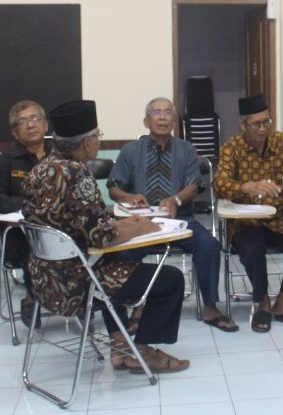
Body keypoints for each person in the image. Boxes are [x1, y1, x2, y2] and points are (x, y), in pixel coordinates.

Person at [22, 99, 189, 373]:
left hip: (45, 283)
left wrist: (122, 224)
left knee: (119, 262)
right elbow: (102, 236)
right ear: (86, 143)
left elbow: (77, 222)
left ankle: (119, 344)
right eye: (97, 135)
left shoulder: (40, 170)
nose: (98, 141)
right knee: (170, 279)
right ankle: (142, 352)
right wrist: (141, 226)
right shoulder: (77, 173)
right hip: (76, 285)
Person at [107, 97, 236, 332]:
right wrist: (130, 197)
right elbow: (113, 188)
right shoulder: (130, 150)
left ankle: (210, 306)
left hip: (180, 221)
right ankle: (137, 305)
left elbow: (194, 185)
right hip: (141, 223)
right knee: (123, 251)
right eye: (157, 113)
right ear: (146, 121)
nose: (162, 118)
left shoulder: (186, 149)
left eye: (168, 113)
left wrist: (176, 199)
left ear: (175, 121)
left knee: (209, 245)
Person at [212, 94, 283, 333]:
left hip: (281, 219)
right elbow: (218, 185)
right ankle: (263, 302)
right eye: (256, 124)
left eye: (266, 122)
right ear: (242, 125)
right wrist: (247, 187)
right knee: (251, 248)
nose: (262, 128)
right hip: (246, 221)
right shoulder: (232, 148)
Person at [0, 100, 51, 328]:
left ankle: (78, 300)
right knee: (31, 245)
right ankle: (32, 296)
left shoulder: (60, 156)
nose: (30, 125)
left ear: (45, 125)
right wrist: (32, 205)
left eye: (35, 118)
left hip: (57, 228)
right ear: (14, 132)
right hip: (20, 232)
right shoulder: (6, 161)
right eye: (23, 122)